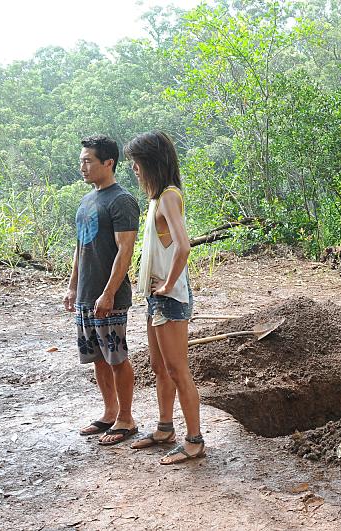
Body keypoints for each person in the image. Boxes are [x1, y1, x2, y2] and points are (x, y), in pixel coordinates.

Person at [124, 131, 204, 465]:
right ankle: (164, 428)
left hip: (169, 299)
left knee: (177, 369)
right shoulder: (157, 199)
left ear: (152, 162)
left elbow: (184, 246)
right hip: (156, 298)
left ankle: (194, 440)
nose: (134, 169)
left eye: (137, 163)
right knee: (159, 367)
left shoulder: (169, 196)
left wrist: (168, 284)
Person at [64, 135, 140, 445]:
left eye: (88, 161)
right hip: (86, 294)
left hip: (110, 296)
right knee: (97, 357)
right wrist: (72, 287)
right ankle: (110, 413)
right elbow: (80, 248)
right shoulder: (87, 200)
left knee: (116, 356)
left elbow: (125, 250)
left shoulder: (121, 200)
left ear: (108, 163)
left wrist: (108, 293)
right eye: (81, 161)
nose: (82, 167)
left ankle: (126, 419)